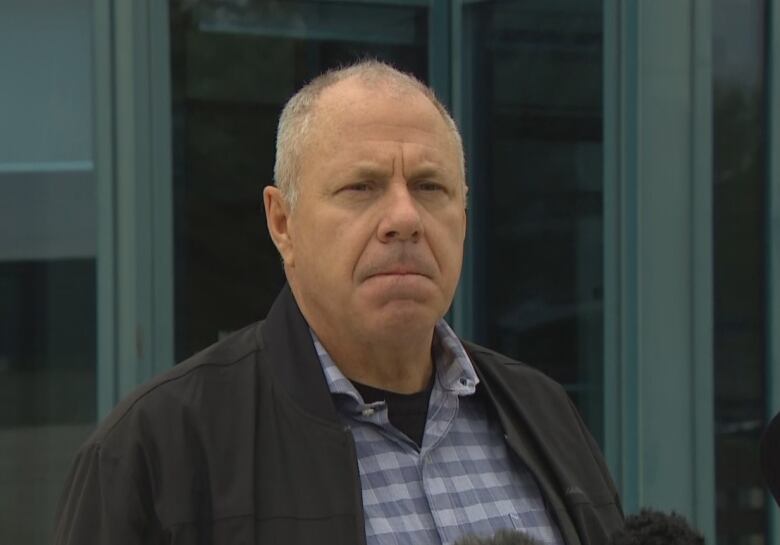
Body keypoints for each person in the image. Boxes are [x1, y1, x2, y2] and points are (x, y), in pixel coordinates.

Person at [54, 60, 623, 545]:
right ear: (282, 222)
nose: (404, 219)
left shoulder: (543, 412)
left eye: (430, 187)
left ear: (465, 217)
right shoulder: (156, 449)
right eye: (361, 187)